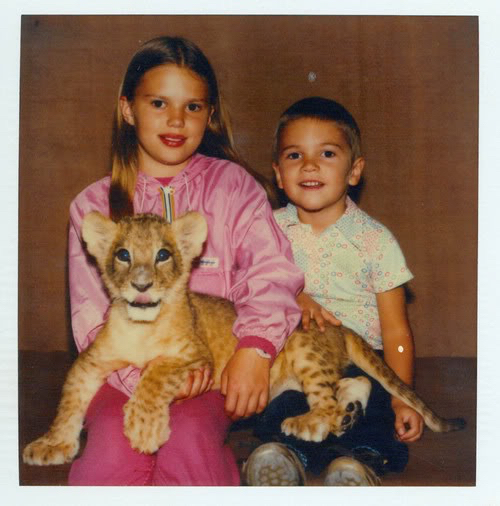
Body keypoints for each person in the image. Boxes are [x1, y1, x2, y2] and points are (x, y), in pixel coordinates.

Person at [67, 36, 303, 486]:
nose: (176, 120)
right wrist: (149, 381)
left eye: (193, 107)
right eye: (159, 103)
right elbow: (90, 318)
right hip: (121, 375)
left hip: (210, 371)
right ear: (128, 109)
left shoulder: (234, 187)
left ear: (209, 115)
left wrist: (255, 349)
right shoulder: (93, 206)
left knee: (188, 436)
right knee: (112, 450)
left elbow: (271, 274)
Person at [242, 96, 424, 486]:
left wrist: (402, 398)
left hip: (359, 359)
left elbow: (396, 331)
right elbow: (246, 288)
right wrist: (292, 294)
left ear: (354, 170)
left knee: (375, 409)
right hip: (294, 362)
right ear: (278, 174)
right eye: (294, 155)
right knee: (282, 407)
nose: (309, 165)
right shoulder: (267, 230)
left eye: (326, 153)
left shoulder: (375, 240)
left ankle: (358, 465)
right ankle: (286, 458)